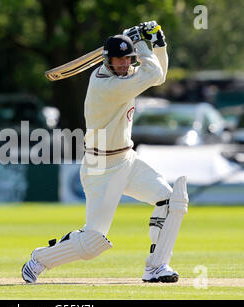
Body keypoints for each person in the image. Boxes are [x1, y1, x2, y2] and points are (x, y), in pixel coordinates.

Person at [22, 21, 189, 283]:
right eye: (117, 60)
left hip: (127, 160)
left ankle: (156, 267)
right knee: (92, 242)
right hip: (100, 168)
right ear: (106, 61)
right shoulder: (106, 86)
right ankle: (39, 259)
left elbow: (160, 74)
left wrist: (158, 43)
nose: (123, 65)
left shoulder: (126, 76)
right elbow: (154, 74)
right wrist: (143, 43)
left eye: (127, 60)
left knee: (172, 202)